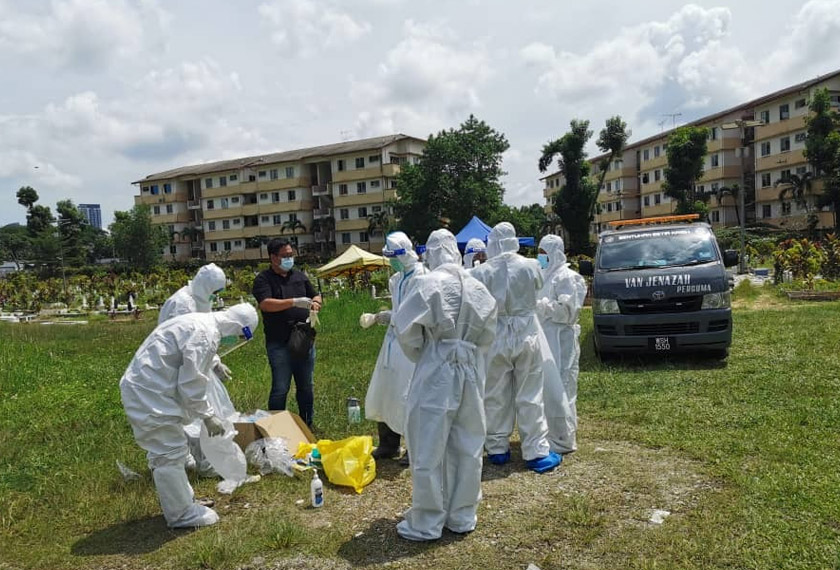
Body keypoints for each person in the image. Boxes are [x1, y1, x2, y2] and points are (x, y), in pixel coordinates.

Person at [393, 229, 497, 541]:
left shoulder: (428, 284)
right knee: (468, 443)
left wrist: (425, 352)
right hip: (469, 367)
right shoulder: (479, 288)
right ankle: (462, 514)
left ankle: (427, 519)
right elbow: (488, 336)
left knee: (427, 443)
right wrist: (468, 351)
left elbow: (406, 329)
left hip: (436, 367)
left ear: (432, 252)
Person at [120, 303, 259, 528]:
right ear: (238, 326)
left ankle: (184, 501)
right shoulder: (205, 333)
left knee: (171, 452)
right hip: (149, 393)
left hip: (150, 389)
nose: (236, 340)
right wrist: (208, 415)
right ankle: (181, 515)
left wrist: (215, 362)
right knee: (169, 454)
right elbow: (191, 383)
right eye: (241, 336)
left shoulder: (201, 323)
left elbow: (185, 351)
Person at [471, 222, 562, 473]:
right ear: (514, 240)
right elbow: (540, 282)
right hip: (526, 333)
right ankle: (535, 451)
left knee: (495, 392)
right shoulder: (531, 266)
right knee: (530, 392)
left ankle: (497, 447)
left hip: (496, 334)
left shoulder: (481, 272)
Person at [158, 263, 233, 474]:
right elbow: (189, 346)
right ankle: (204, 462)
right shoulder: (181, 305)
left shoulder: (200, 299)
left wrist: (215, 362)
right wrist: (207, 365)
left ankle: (204, 459)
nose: (216, 297)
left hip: (194, 365)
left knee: (200, 411)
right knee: (194, 413)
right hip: (181, 367)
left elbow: (204, 334)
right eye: (214, 292)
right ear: (205, 286)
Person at [364, 232, 427, 463]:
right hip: (393, 342)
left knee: (409, 393)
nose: (391, 262)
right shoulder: (397, 279)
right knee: (386, 389)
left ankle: (415, 447)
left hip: (412, 343)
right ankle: (388, 444)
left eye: (393, 257)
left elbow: (417, 313)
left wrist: (391, 317)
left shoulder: (421, 277)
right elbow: (399, 309)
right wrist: (385, 317)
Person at [252, 238, 322, 426]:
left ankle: (307, 424)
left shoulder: (299, 276)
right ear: (273, 257)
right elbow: (265, 304)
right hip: (279, 342)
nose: (289, 259)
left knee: (306, 386)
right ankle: (276, 426)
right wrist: (294, 302)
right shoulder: (263, 279)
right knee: (280, 388)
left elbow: (315, 294)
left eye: (291, 255)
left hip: (303, 339)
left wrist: (316, 302)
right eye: (285, 256)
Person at [537, 235, 586, 454]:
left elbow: (568, 312)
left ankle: (564, 437)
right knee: (547, 387)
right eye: (539, 253)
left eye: (544, 253)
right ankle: (551, 432)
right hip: (545, 339)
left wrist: (542, 306)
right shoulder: (544, 276)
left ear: (555, 253)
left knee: (564, 385)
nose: (540, 257)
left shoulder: (568, 277)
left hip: (562, 339)